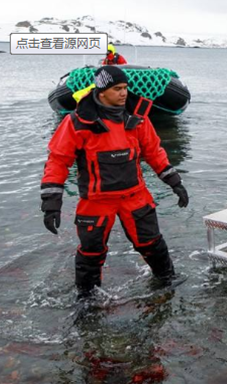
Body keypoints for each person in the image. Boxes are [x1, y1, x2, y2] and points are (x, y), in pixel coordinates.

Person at [40, 66, 189, 298]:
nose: (124, 93)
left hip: (135, 196)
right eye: (117, 89)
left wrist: (175, 183)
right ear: (101, 91)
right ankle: (87, 298)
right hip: (96, 201)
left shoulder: (137, 118)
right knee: (91, 252)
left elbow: (154, 152)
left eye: (125, 88)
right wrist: (51, 203)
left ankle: (167, 281)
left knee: (152, 244)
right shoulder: (77, 122)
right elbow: (58, 161)